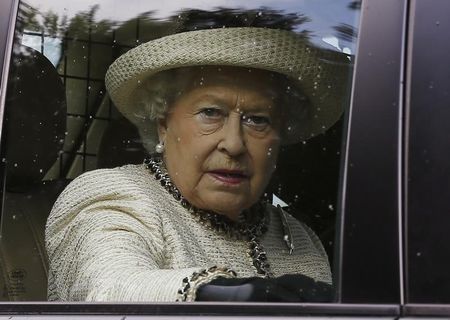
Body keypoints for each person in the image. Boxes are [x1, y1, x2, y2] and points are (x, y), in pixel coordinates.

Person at [45, 27, 349, 302]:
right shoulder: (112, 197)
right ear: (164, 125)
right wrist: (223, 294)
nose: (234, 143)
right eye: (211, 113)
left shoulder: (299, 238)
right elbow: (108, 286)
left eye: (258, 120)